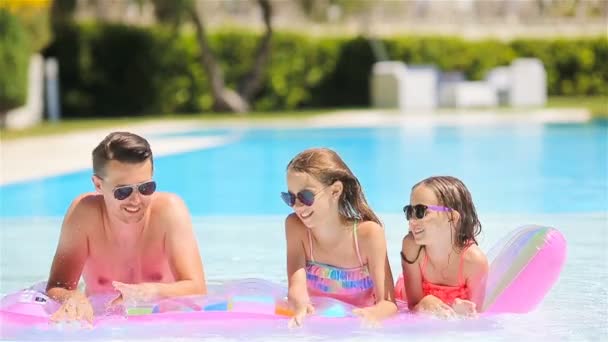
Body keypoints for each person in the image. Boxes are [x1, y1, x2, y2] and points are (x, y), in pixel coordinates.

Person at [46, 131, 207, 323]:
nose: (136, 200)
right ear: (98, 185)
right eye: (123, 191)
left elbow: (197, 289)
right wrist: (73, 297)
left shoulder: (169, 212)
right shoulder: (84, 215)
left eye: (146, 187)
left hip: (163, 327)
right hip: (104, 328)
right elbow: (58, 285)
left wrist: (149, 291)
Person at [282, 148, 397, 327]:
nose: (297, 206)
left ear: (335, 191)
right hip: (319, 324)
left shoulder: (368, 235)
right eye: (290, 197)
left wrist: (370, 315)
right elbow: (296, 287)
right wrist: (300, 306)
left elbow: (388, 303)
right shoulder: (296, 228)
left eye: (305, 196)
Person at [398, 176, 488, 318]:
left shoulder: (474, 262)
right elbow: (412, 305)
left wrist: (462, 312)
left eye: (421, 212)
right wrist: (423, 302)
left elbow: (478, 316)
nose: (412, 220)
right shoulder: (412, 248)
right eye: (410, 212)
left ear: (452, 217)